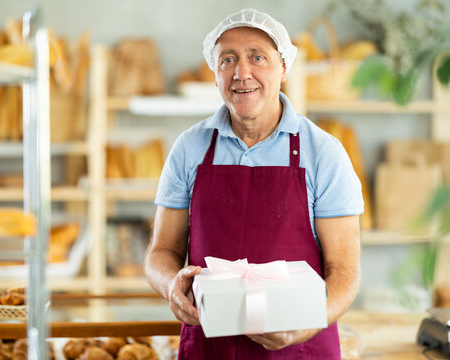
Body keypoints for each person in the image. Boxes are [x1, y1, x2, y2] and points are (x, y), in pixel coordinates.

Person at [145, 8, 363, 359]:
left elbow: (345, 272)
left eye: (257, 57)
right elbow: (161, 253)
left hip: (299, 349)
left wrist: (307, 323)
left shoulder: (323, 153)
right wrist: (171, 284)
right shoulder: (189, 148)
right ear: (214, 74)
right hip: (209, 346)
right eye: (227, 60)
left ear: (284, 67)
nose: (241, 73)